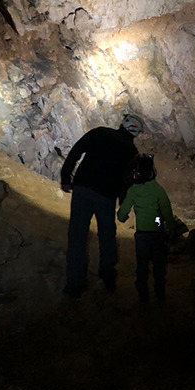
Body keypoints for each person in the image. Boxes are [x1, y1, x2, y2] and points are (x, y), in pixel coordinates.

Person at [60, 113, 143, 298]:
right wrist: (123, 205)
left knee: (77, 235)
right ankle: (108, 277)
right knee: (107, 237)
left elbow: (76, 151)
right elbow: (127, 182)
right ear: (136, 132)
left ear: (122, 124)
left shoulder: (100, 133)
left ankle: (74, 284)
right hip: (106, 197)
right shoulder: (132, 152)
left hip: (83, 189)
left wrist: (66, 177)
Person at [117, 154, 176, 303]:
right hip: (157, 231)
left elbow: (121, 213)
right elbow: (167, 212)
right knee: (159, 266)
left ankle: (143, 296)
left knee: (142, 266)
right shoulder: (157, 189)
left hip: (142, 234)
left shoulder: (133, 191)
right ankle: (160, 295)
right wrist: (172, 229)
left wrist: (123, 217)